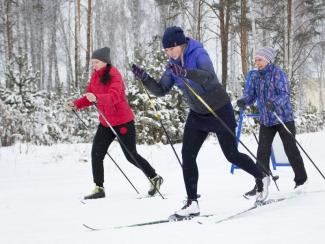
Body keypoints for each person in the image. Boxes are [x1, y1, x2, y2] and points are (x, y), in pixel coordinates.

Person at [131, 26, 267, 218]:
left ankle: (262, 176)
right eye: (167, 51)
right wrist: (145, 79)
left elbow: (209, 77)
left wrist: (186, 72)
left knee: (231, 155)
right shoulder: (172, 64)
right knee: (187, 154)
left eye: (171, 49)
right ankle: (192, 202)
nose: (169, 54)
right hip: (197, 114)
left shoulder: (199, 53)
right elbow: (161, 89)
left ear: (180, 44)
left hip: (218, 108)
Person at [64, 47, 163, 199]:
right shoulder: (95, 76)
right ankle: (99, 188)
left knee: (131, 155)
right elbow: (89, 96)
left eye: (96, 62)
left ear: (105, 62)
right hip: (106, 122)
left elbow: (114, 97)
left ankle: (154, 177)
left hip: (122, 121)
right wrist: (75, 104)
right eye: (92, 62)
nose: (94, 65)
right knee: (96, 153)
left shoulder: (114, 75)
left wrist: (96, 98)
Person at [237, 46, 308, 198]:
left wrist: (274, 103)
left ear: (267, 60)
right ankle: (261, 183)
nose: (257, 62)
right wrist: (244, 101)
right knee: (262, 152)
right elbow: (251, 95)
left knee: (290, 149)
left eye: (260, 59)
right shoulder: (255, 76)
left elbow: (284, 94)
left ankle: (301, 180)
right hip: (266, 120)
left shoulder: (277, 73)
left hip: (283, 117)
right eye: (256, 60)